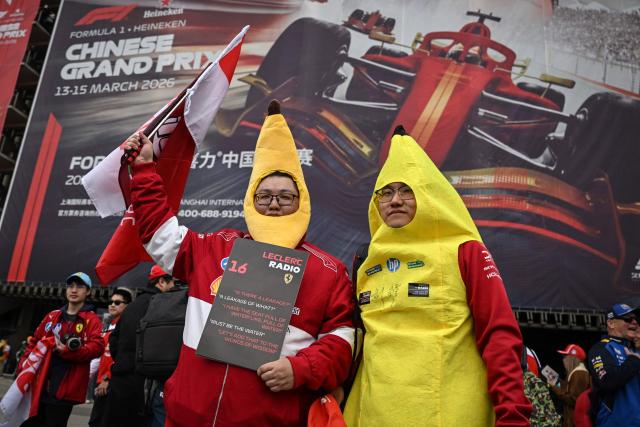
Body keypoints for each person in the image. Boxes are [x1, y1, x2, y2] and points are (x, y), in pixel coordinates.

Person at [122, 100, 355, 426]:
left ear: (302, 201)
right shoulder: (215, 248)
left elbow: (343, 342)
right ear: (251, 200)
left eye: (286, 196)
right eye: (264, 195)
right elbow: (160, 235)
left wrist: (300, 368)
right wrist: (145, 169)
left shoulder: (328, 271)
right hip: (188, 417)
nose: (274, 204)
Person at [343, 127, 531, 426]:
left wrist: (512, 415)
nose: (395, 200)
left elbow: (499, 335)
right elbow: (351, 342)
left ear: (431, 196)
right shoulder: (365, 259)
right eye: (386, 192)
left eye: (407, 191)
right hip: (372, 415)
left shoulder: (465, 250)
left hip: (449, 414)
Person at [19, 272, 104, 427]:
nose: (74, 290)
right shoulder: (52, 316)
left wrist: (69, 351)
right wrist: (22, 368)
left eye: (79, 286)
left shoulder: (92, 320)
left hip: (65, 389)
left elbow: (97, 347)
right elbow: (34, 343)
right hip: (39, 384)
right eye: (70, 286)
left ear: (88, 291)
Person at [102, 266, 174, 427]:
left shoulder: (132, 306)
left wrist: (122, 360)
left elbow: (114, 339)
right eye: (172, 283)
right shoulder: (161, 305)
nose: (174, 288)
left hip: (120, 378)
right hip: (141, 384)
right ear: (161, 282)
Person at [586, 303, 640, 427]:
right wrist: (633, 362)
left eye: (635, 319)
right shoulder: (602, 348)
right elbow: (607, 380)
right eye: (628, 319)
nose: (634, 322)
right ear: (611, 323)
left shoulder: (636, 349)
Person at [88, 287, 132, 427]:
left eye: (118, 302)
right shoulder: (108, 327)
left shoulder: (127, 326)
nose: (112, 305)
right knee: (95, 421)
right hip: (101, 384)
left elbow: (123, 356)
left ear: (128, 306)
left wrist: (107, 378)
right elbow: (99, 357)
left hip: (112, 384)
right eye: (111, 302)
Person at [548, 344, 591, 427]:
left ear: (573, 359)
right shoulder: (575, 372)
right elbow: (569, 389)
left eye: (566, 357)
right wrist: (558, 380)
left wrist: (555, 387)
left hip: (574, 422)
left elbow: (573, 400)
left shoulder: (580, 373)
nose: (564, 360)